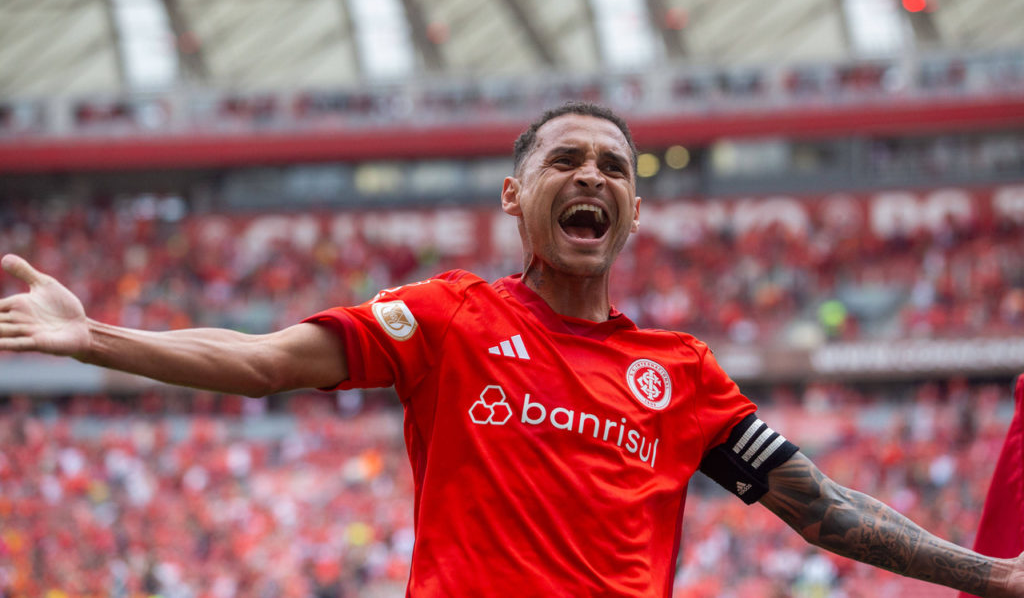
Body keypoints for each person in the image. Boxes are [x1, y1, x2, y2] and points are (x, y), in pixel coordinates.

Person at [0, 101, 1021, 597]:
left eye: (614, 166)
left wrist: (991, 575)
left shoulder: (682, 373)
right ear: (513, 194)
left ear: (632, 210)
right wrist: (91, 337)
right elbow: (266, 361)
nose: (592, 175)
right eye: (564, 159)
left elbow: (825, 507)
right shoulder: (447, 318)